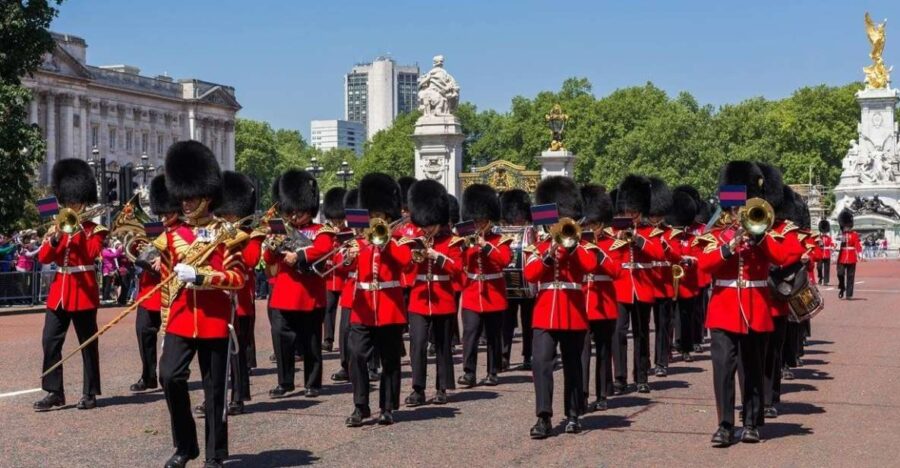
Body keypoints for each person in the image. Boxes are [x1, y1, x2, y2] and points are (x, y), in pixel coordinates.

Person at [156, 141, 246, 468]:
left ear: (206, 196)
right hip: (181, 319)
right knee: (170, 377)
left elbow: (238, 279)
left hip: (213, 320)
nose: (186, 202)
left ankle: (215, 455)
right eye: (183, 196)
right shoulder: (170, 236)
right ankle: (185, 445)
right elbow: (167, 286)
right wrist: (165, 326)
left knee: (215, 392)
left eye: (191, 196)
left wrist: (202, 276)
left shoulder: (227, 234)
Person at [696, 161, 788, 447]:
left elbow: (782, 256)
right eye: (736, 209)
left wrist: (759, 239)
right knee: (723, 368)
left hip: (755, 308)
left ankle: (751, 423)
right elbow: (703, 264)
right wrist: (729, 246)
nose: (739, 214)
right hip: (723, 310)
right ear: (728, 208)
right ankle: (725, 425)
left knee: (752, 368)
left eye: (743, 208)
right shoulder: (716, 235)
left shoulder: (764, 233)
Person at [524, 176, 598, 438]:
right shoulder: (538, 246)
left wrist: (572, 245)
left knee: (574, 365)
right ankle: (543, 417)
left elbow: (590, 266)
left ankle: (574, 414)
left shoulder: (583, 245)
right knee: (541, 364)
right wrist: (548, 254)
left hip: (573, 312)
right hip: (545, 312)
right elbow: (531, 274)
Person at [33, 159, 108, 412]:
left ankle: (89, 392)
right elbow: (44, 257)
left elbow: (90, 254)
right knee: (50, 341)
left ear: (83, 200)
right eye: (67, 201)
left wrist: (76, 231)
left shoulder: (95, 229)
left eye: (74, 201)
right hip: (59, 292)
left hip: (83, 290)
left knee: (88, 343)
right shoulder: (58, 226)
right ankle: (54, 391)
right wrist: (55, 238)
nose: (71, 205)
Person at [344, 173, 413, 427]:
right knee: (357, 355)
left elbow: (406, 263)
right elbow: (342, 269)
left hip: (389, 307)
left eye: (380, 215)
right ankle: (360, 406)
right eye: (372, 214)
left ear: (388, 216)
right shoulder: (358, 241)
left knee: (390, 360)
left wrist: (386, 243)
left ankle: (387, 407)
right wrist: (348, 257)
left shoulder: (399, 239)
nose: (376, 220)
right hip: (362, 307)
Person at [264, 169, 335, 399]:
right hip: (284, 294)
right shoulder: (282, 231)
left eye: (299, 210)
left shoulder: (320, 231)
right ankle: (285, 382)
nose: (294, 215)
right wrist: (271, 248)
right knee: (282, 341)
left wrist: (300, 256)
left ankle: (312, 383)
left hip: (309, 294)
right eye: (291, 210)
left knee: (312, 342)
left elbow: (324, 249)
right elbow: (268, 260)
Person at [404, 180, 462, 407]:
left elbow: (457, 269)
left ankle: (441, 387)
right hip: (419, 297)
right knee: (417, 344)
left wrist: (436, 256)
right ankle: (417, 389)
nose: (426, 228)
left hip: (443, 297)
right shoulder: (414, 241)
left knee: (441, 345)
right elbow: (406, 269)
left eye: (430, 223)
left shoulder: (453, 242)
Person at [214, 171, 264, 415]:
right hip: (216, 299)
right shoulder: (215, 233)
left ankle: (237, 397)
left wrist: (232, 243)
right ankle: (218, 396)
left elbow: (252, 260)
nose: (227, 218)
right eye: (224, 214)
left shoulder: (252, 235)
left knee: (237, 353)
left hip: (240, 301)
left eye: (230, 214)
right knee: (216, 353)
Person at [610, 175, 665, 395]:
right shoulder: (614, 231)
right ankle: (620, 378)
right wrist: (620, 239)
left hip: (642, 287)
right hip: (621, 287)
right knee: (619, 332)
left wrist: (638, 239)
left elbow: (658, 253)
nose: (630, 216)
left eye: (634, 213)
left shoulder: (649, 231)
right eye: (627, 212)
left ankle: (642, 376)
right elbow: (609, 256)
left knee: (641, 333)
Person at [129, 175, 181, 393]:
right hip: (149, 291)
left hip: (172, 290)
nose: (164, 216)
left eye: (167, 212)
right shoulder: (153, 227)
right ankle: (147, 375)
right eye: (162, 212)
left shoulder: (183, 230)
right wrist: (137, 253)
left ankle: (174, 374)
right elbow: (135, 251)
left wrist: (165, 258)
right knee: (144, 333)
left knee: (174, 338)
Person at [457, 184, 513, 388]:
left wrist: (487, 246)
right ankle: (469, 372)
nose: (479, 224)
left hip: (494, 292)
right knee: (470, 333)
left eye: (482, 220)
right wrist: (464, 247)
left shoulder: (501, 240)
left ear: (490, 219)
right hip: (472, 291)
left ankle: (493, 371)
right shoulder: (466, 240)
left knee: (493, 336)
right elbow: (460, 263)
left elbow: (504, 260)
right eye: (476, 220)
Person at [579, 184, 621, 413]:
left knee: (604, 350)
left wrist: (598, 253)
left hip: (603, 303)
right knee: (582, 351)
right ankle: (582, 394)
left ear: (601, 223)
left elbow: (617, 271)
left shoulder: (611, 243)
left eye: (593, 224)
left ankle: (602, 393)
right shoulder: (576, 242)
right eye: (587, 224)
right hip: (581, 303)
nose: (590, 228)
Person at [498, 189, 538, 371]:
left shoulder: (533, 231)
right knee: (506, 322)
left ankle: (528, 355)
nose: (518, 220)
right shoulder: (502, 232)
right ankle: (504, 355)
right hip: (508, 284)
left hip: (528, 283)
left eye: (520, 216)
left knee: (529, 322)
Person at [666, 186, 701, 363]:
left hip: (687, 282)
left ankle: (685, 347)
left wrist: (690, 260)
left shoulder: (690, 237)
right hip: (669, 282)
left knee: (685, 317)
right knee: (668, 318)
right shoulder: (667, 237)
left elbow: (697, 256)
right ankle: (668, 348)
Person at [646, 177, 676, 377]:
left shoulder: (670, 233)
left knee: (663, 325)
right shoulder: (642, 232)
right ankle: (645, 362)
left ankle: (661, 361)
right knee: (642, 327)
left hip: (664, 282)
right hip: (647, 282)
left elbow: (676, 255)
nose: (655, 217)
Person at [321, 187, 349, 353]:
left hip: (343, 277)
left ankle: (344, 341)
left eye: (339, 220)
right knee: (328, 308)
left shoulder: (350, 232)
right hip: (330, 277)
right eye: (334, 221)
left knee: (345, 313)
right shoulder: (326, 232)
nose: (337, 224)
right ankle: (328, 339)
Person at [836, 209, 861, 299]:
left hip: (851, 257)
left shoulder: (854, 234)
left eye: (847, 225)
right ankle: (842, 287)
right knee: (840, 273)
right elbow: (838, 245)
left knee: (850, 276)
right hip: (842, 257)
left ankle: (849, 294)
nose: (846, 227)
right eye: (844, 225)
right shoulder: (841, 235)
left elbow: (857, 244)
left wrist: (859, 253)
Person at [816, 219, 833, 285]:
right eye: (823, 231)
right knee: (819, 267)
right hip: (820, 254)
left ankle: (826, 281)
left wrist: (832, 246)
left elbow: (832, 244)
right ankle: (820, 277)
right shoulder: (818, 238)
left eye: (825, 231)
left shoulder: (829, 238)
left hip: (827, 254)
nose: (824, 232)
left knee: (827, 269)